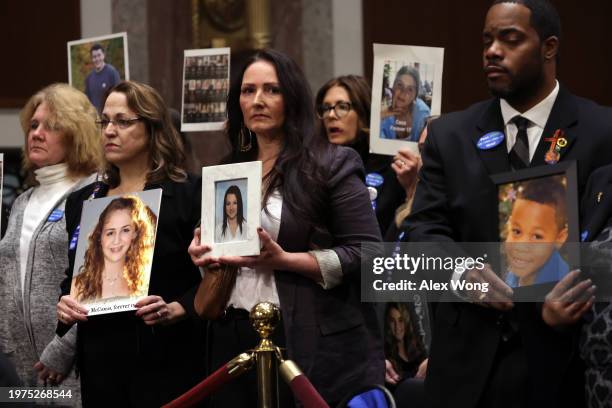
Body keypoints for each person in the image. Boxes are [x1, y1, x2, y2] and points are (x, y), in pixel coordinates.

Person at [402, 0, 612, 407]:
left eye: (510, 39)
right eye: (487, 40)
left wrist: (577, 287)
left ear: (548, 47)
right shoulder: (449, 135)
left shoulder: (602, 130)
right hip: (466, 367)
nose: (492, 51)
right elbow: (422, 234)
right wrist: (460, 273)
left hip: (566, 362)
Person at [189, 49, 384, 406]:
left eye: (271, 90)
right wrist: (203, 252)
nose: (258, 100)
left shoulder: (332, 163)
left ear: (292, 98)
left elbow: (368, 254)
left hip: (302, 335)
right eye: (248, 91)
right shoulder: (228, 168)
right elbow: (223, 246)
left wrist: (285, 260)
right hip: (232, 334)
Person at [55, 80, 206, 407]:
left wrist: (181, 307)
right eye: (104, 121)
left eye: (123, 121)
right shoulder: (84, 200)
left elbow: (215, 276)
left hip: (167, 355)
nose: (109, 130)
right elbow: (74, 275)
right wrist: (65, 300)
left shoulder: (189, 193)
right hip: (100, 357)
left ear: (154, 128)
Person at [0, 83, 102, 401]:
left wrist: (61, 350)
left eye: (51, 126)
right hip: (17, 369)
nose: (37, 133)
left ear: (77, 133)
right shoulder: (22, 201)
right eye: (33, 125)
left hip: (69, 368)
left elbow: (98, 286)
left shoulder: (96, 191)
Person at [315, 75, 416, 235]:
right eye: (326, 108)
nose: (331, 115)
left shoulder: (393, 166)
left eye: (342, 106)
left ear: (363, 112)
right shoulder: (315, 164)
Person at [71, 195, 157, 302]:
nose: (116, 240)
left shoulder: (143, 284)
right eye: (110, 233)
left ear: (135, 234)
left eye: (125, 230)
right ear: (99, 237)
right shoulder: (77, 286)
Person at [503, 177, 569, 287]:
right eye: (517, 231)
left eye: (537, 236)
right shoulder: (511, 274)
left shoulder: (563, 284)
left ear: (559, 238)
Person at [380, 66, 431, 141]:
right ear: (393, 87)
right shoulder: (384, 114)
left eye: (410, 89)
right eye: (400, 85)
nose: (403, 92)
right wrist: (379, 117)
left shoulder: (423, 114)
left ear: (415, 96)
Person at [384, 303, 427, 381]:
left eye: (401, 320)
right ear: (388, 324)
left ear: (406, 322)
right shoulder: (386, 356)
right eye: (392, 321)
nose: (397, 326)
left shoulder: (417, 347)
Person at [84, 43, 121, 112]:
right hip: (95, 118)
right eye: (94, 57)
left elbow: (119, 96)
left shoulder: (112, 73)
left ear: (103, 55)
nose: (97, 59)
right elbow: (87, 101)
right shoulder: (89, 78)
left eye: (99, 55)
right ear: (92, 59)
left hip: (109, 117)